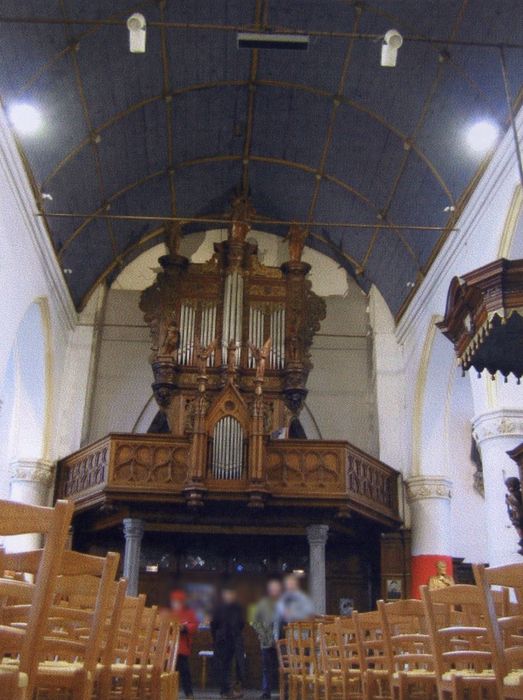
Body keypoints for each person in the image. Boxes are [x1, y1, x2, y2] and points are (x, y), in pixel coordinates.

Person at [211, 584, 246, 698]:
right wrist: (216, 637)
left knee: (236, 665)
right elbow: (213, 625)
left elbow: (241, 624)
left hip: (234, 640)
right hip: (222, 640)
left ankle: (231, 689)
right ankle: (225, 691)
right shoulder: (218, 608)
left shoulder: (238, 608)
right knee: (223, 666)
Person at [252, 576, 282, 699]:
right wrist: (263, 635)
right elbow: (255, 621)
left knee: (282, 667)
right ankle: (266, 691)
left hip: (281, 641)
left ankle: (284, 690)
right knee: (266, 667)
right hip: (266, 641)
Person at [170, 589, 199, 699]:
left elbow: (194, 625)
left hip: (181, 648)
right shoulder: (170, 612)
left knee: (185, 672)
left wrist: (184, 627)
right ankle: (169, 692)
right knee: (169, 673)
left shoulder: (189, 612)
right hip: (169, 648)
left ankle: (189, 693)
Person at [273, 573, 315, 640]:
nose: (290, 586)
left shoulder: (302, 597)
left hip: (299, 630)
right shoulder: (283, 598)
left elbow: (309, 613)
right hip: (283, 631)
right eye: (288, 584)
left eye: (292, 583)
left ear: (296, 584)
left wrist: (293, 614)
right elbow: (279, 613)